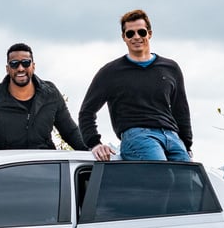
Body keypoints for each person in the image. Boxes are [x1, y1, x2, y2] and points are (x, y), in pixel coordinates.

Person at [78, 9, 193, 161]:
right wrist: (94, 143)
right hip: (137, 135)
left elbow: (181, 110)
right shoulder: (111, 72)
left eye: (141, 32)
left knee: (188, 181)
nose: (136, 37)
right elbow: (86, 111)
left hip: (171, 136)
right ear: (124, 37)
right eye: (130, 34)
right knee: (162, 175)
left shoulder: (171, 68)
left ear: (149, 34)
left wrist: (187, 145)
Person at [0, 43, 86, 152]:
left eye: (26, 63)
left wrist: (91, 152)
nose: (20, 68)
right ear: (7, 69)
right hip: (6, 173)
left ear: (33, 66)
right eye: (14, 64)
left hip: (47, 173)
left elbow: (71, 133)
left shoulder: (51, 94)